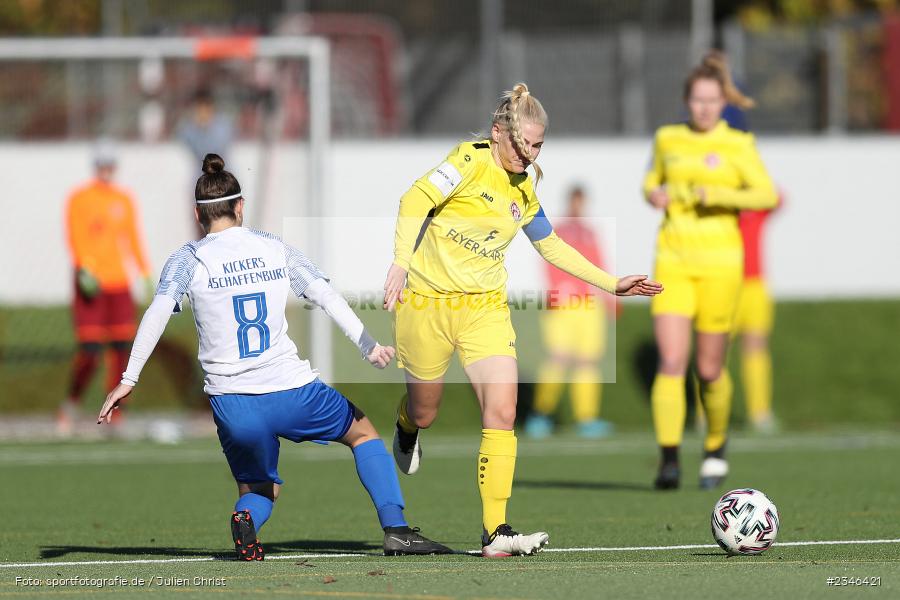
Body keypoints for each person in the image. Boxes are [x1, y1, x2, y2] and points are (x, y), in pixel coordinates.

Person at [98, 154, 451, 560]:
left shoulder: (187, 259)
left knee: (260, 488)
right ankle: (397, 529)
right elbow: (325, 295)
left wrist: (129, 378)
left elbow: (157, 314)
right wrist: (368, 345)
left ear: (198, 214)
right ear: (240, 207)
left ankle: (246, 519)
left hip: (232, 404)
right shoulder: (274, 247)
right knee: (364, 434)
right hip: (294, 392)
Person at [383, 83, 662, 557]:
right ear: (498, 134)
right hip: (427, 303)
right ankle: (408, 427)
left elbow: (549, 244)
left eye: (538, 147)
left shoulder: (526, 184)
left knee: (503, 411)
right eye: (524, 144)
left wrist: (610, 282)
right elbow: (414, 201)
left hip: (484, 308)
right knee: (426, 409)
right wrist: (400, 263)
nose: (531, 155)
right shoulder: (469, 161)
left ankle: (496, 531)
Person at [642, 54, 777, 491]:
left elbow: (766, 194)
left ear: (722, 102)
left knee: (710, 369)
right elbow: (650, 181)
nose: (703, 108)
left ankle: (716, 446)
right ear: (686, 101)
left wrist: (717, 193)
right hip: (673, 261)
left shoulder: (738, 144)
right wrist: (654, 195)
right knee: (671, 361)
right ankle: (668, 460)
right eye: (697, 100)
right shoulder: (667, 138)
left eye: (712, 100)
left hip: (721, 266)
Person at [60, 140, 153, 436]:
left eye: (110, 164)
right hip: (91, 283)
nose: (106, 170)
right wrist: (83, 265)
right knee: (89, 350)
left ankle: (115, 412)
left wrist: (144, 271)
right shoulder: (80, 198)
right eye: (102, 164)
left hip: (118, 283)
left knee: (122, 351)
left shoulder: (124, 199)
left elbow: (132, 237)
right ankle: (71, 404)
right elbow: (74, 233)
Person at [524, 185, 616, 439]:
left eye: (582, 202)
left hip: (589, 304)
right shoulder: (558, 231)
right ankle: (540, 414)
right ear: (569, 201)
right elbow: (548, 261)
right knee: (559, 358)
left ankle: (587, 418)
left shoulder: (589, 232)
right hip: (563, 303)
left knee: (588, 361)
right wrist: (555, 290)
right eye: (575, 201)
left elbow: (600, 264)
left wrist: (610, 298)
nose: (578, 206)